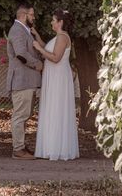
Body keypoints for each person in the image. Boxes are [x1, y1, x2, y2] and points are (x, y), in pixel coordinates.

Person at [32, 9, 79, 160]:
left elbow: (55, 57)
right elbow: (48, 48)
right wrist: (37, 37)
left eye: (53, 20)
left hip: (58, 78)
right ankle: (51, 146)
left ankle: (57, 148)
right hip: (54, 77)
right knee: (52, 108)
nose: (51, 22)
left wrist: (38, 48)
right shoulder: (58, 37)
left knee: (56, 108)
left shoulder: (63, 37)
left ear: (60, 22)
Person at [6, 3, 43, 160]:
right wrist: (37, 64)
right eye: (32, 15)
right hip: (22, 81)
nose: (33, 17)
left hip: (27, 81)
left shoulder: (25, 31)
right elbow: (21, 53)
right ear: (23, 15)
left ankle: (21, 145)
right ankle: (18, 150)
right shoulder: (17, 30)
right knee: (20, 115)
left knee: (24, 115)